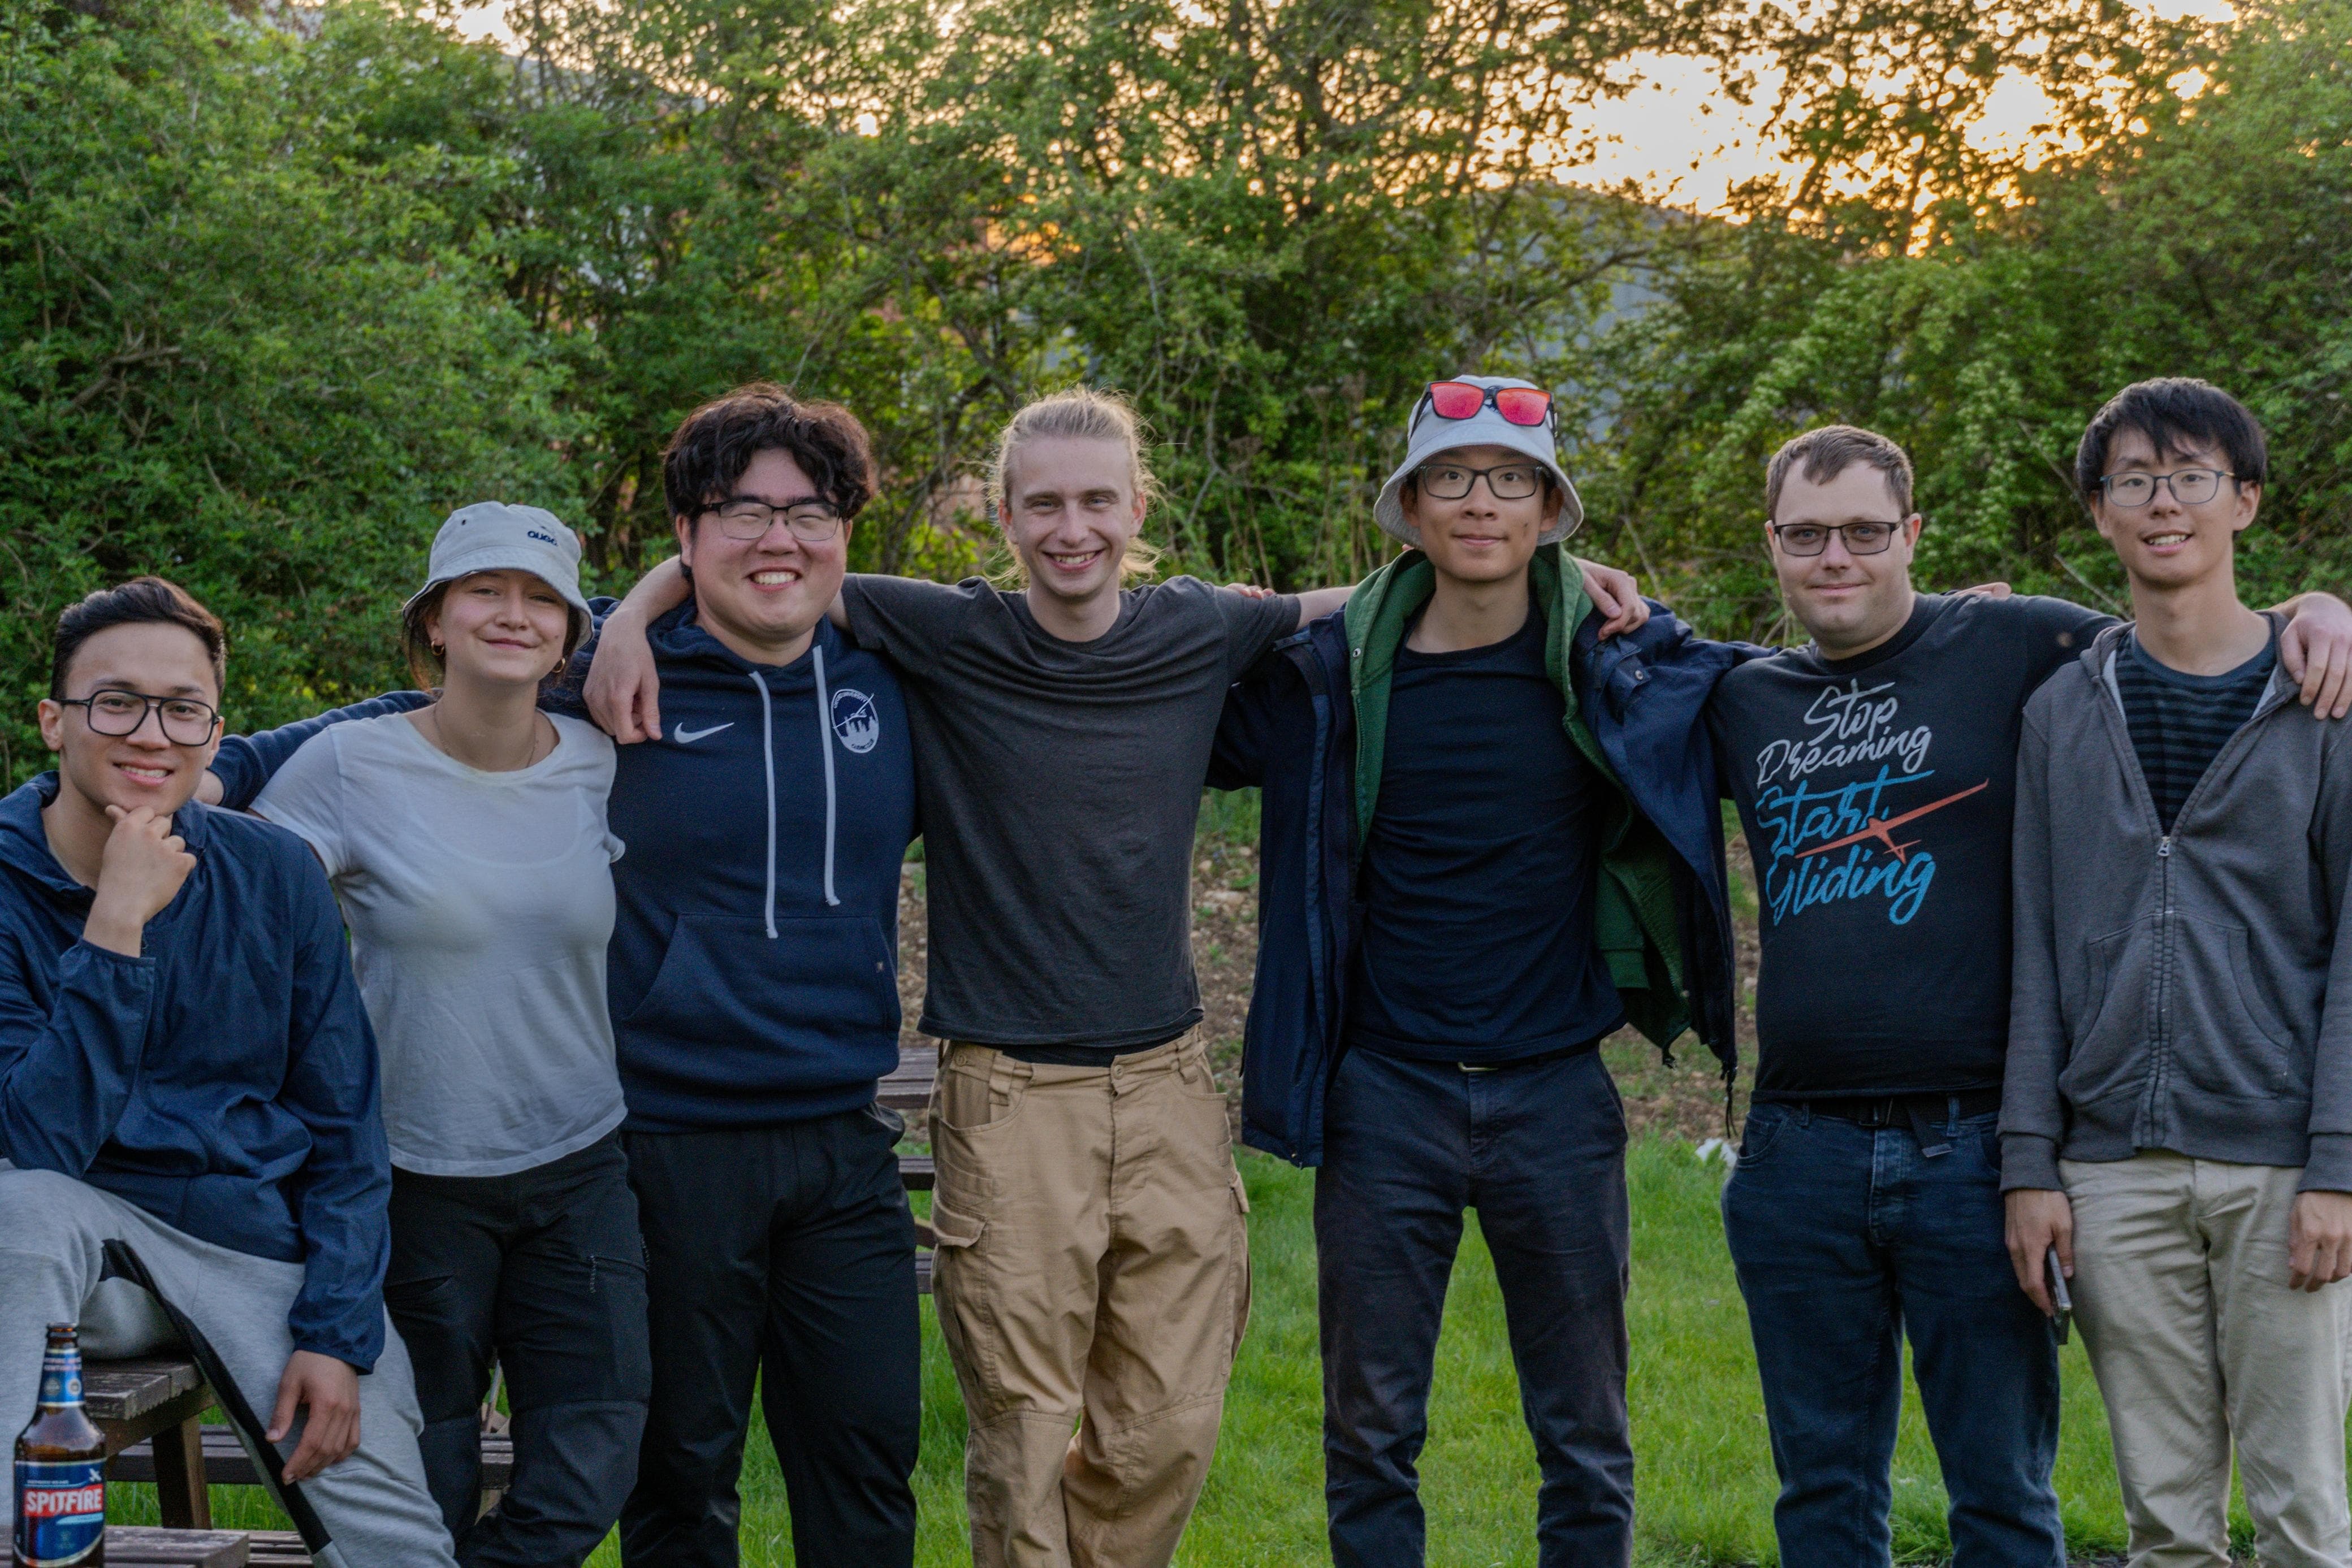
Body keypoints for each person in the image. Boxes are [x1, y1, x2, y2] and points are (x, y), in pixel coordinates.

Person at [584, 384, 1650, 1568]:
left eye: (1097, 500)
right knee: (1024, 1433)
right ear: (1003, 516)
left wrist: (1560, 572)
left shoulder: (1197, 626)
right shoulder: (942, 630)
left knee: (1169, 1424)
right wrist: (632, 618)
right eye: (1042, 504)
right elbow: (763, 562)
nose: (1071, 528)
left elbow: (1373, 596)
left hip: (1165, 1084)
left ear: (1138, 508)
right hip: (1008, 1089)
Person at [205, 385, 923, 1568]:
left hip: (842, 1139)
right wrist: (210, 765)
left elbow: (1060, 652)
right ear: (686, 538)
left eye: (809, 513)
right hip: (666, 1141)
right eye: (742, 512)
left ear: (845, 532)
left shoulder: (893, 671)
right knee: (678, 1474)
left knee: (864, 1461)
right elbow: (424, 716)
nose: (779, 538)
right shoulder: (614, 693)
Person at [1706, 423, 2352, 1568]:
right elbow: (1604, 653)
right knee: (1820, 1491)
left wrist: (2322, 606)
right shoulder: (1736, 695)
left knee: (2003, 1490)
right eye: (1805, 535)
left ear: (1912, 534)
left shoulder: (2007, 642)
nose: (1835, 556)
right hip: (1796, 1149)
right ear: (1771, 544)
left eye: (1863, 531)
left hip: (1972, 1150)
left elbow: (2188, 615)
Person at [1208, 375, 1744, 1568]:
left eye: (1511, 480)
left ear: (1550, 511)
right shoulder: (1325, 679)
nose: (1481, 503)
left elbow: (1805, 678)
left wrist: (1951, 631)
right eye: (1450, 478)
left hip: (1555, 1095)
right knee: (1369, 1431)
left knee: (1585, 1433)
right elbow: (1138, 670)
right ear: (1410, 509)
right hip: (1383, 1094)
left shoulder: (1617, 667)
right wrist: (1269, 612)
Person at [0, 578, 458, 1568]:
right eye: (115, 702)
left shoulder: (276, 874)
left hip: (249, 1249)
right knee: (18, 1205)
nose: (150, 733)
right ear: (53, 720)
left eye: (183, 708)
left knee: (400, 1547)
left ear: (214, 733)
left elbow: (345, 1129)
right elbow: (36, 1141)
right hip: (61, 1256)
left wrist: (335, 1333)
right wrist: (115, 926)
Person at [245, 505, 646, 1567]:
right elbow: (242, 910)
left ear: (570, 634)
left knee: (593, 1462)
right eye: (485, 591)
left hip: (580, 1165)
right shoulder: (348, 765)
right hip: (413, 1175)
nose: (514, 615)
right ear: (434, 620)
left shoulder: (604, 762)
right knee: (429, 1472)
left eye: (542, 599)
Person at [2003, 378, 2352, 1568]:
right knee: (2163, 1524)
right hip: (2109, 1171)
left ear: (2244, 500)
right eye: (2135, 481)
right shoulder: (2059, 712)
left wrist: (2339, 1166)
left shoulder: (2323, 701)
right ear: (2100, 512)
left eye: (2193, 476)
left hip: (2281, 1166)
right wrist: (2029, 1163)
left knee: (2304, 1515)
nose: (2165, 503)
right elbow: (2033, 950)